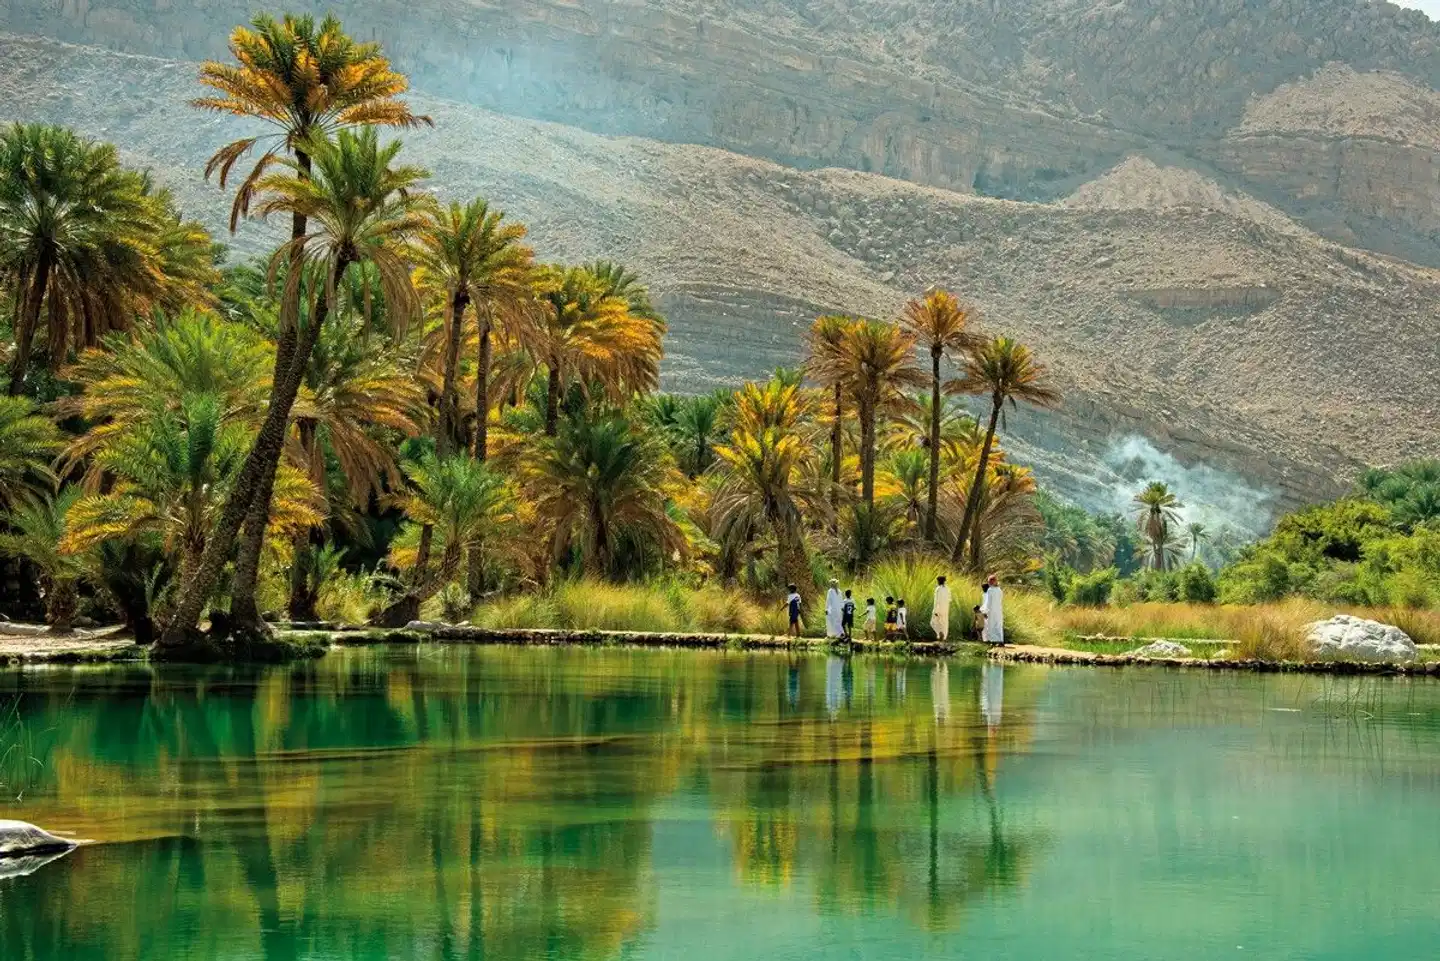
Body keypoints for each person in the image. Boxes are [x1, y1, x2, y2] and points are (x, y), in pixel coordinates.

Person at [980, 574, 1004, 646]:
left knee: (991, 625)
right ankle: (1000, 641)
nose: (989, 583)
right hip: (998, 610)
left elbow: (988, 602)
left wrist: (984, 611)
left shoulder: (990, 590)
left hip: (991, 611)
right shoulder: (999, 590)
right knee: (998, 625)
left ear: (992, 581)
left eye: (989, 582)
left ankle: (993, 641)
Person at [930, 575, 951, 641]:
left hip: (938, 609)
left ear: (939, 581)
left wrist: (936, 611)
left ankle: (940, 633)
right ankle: (943, 637)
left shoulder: (938, 589)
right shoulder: (947, 589)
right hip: (946, 609)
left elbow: (936, 601)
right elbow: (949, 600)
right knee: (944, 623)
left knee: (933, 622)